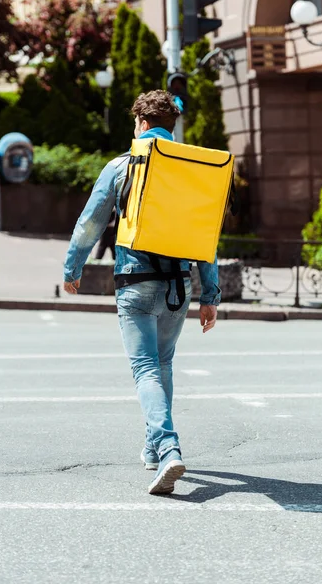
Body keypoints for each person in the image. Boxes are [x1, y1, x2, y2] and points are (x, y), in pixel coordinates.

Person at [64, 90, 220, 495]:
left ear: (141, 123)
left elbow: (89, 224)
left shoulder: (122, 166)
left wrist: (72, 268)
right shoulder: (191, 170)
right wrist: (210, 294)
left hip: (135, 282)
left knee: (145, 368)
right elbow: (206, 235)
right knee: (163, 365)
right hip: (179, 285)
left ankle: (168, 448)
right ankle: (153, 448)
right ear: (171, 125)